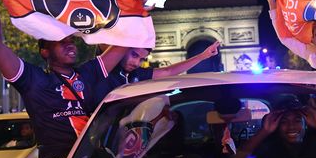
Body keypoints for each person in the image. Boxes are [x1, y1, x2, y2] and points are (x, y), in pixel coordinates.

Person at [0, 0, 152, 158]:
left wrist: (140, 8)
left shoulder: (88, 73)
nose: (70, 45)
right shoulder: (34, 81)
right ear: (45, 51)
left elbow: (125, 42)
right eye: (61, 42)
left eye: (71, 40)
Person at [92, 41, 220, 105]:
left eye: (142, 59)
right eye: (134, 55)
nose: (136, 63)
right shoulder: (104, 71)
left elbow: (168, 71)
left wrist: (203, 56)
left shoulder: (136, 73)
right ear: (123, 50)